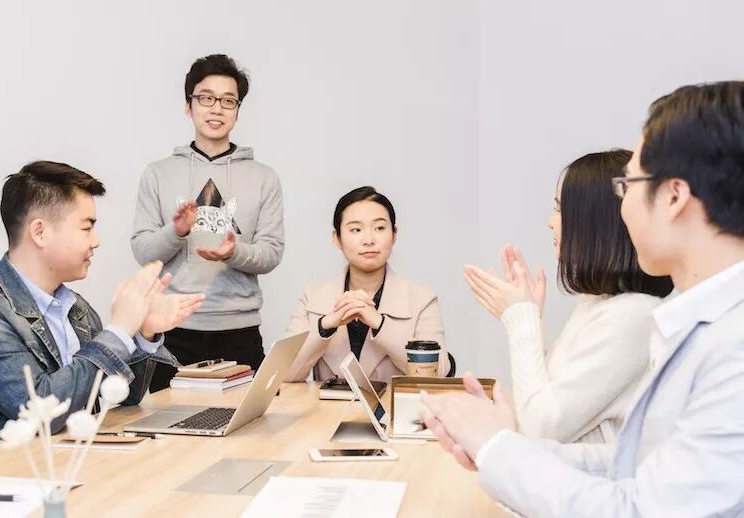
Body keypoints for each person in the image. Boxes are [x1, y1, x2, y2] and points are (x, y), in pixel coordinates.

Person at [420, 81, 744, 517]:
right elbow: (630, 465)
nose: (622, 206)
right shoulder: (700, 324)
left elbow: (640, 510)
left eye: (627, 184)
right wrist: (499, 447)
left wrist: (500, 448)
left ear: (673, 197)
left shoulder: (731, 348)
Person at [0, 161, 203, 453]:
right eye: (87, 228)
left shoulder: (74, 306)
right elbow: (44, 414)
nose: (96, 241)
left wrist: (143, 332)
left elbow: (124, 397)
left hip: (77, 464)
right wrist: (119, 332)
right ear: (40, 232)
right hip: (19, 474)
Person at [462, 150, 672, 444]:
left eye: (560, 210)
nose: (551, 222)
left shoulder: (631, 316)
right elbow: (550, 399)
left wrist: (521, 319)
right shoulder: (600, 305)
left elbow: (542, 427)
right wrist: (529, 319)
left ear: (594, 223)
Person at [131, 54, 284, 391]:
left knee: (243, 423)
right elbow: (142, 251)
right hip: (172, 325)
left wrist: (233, 252)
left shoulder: (264, 177)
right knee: (166, 422)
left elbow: (272, 253)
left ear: (238, 110)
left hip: (239, 330)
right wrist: (177, 231)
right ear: (189, 106)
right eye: (206, 98)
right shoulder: (158, 173)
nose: (217, 109)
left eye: (228, 101)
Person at [285, 186, 448, 382]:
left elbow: (439, 374)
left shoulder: (421, 300)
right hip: (328, 404)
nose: (369, 240)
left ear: (394, 234)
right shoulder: (312, 299)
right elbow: (284, 374)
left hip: (393, 404)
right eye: (356, 230)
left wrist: (379, 324)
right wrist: (325, 326)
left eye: (379, 228)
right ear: (337, 239)